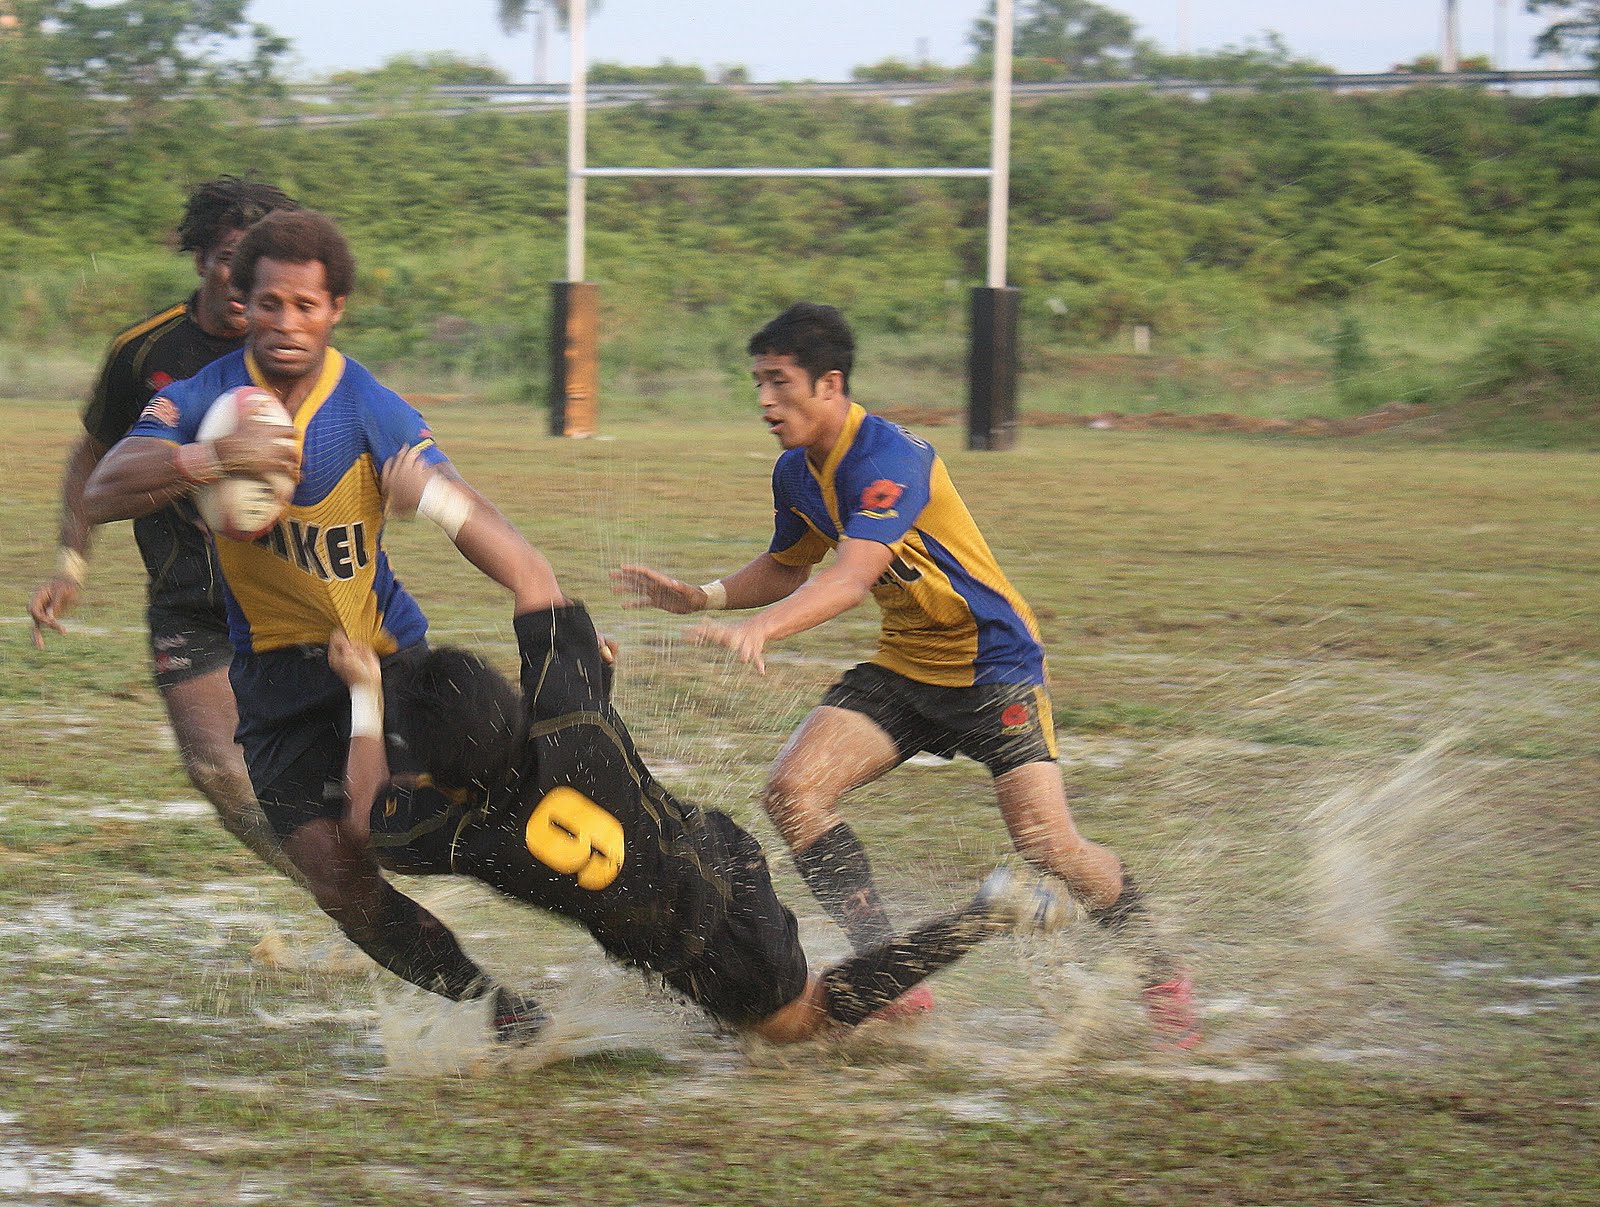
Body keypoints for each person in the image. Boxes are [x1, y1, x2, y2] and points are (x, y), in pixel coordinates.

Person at [324, 445, 1071, 1044]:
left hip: (704, 945)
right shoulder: (568, 719)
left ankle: (984, 913)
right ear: (510, 702)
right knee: (726, 1008)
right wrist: (433, 495)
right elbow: (530, 574)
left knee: (800, 1023)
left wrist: (364, 694)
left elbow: (360, 821)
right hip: (720, 852)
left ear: (435, 777)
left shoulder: (468, 837)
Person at [612, 302, 1198, 1049]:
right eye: (757, 382)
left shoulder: (890, 458)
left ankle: (1159, 972)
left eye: (778, 382)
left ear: (830, 383)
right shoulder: (797, 471)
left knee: (1049, 846)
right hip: (907, 663)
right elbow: (790, 563)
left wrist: (765, 627)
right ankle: (893, 975)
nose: (764, 400)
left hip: (992, 663)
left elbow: (853, 576)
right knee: (794, 791)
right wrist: (708, 596)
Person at [82, 209, 547, 1040]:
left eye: (305, 305)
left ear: (335, 309)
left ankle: (635, 917)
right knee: (339, 880)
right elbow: (105, 486)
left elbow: (474, 514)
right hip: (275, 685)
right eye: (270, 304)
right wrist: (211, 459)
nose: (286, 324)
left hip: (387, 657)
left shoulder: (368, 406)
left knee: (441, 828)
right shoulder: (202, 397)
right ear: (243, 302)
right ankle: (501, 1011)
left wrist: (543, 605)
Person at [29, 177, 301, 879]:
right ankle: (345, 900)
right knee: (221, 772)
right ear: (201, 260)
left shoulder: (297, 350)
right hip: (190, 599)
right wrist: (71, 562)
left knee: (343, 762)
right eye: (228, 260)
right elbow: (92, 455)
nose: (242, 281)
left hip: (292, 592)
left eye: (259, 267)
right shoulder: (143, 352)